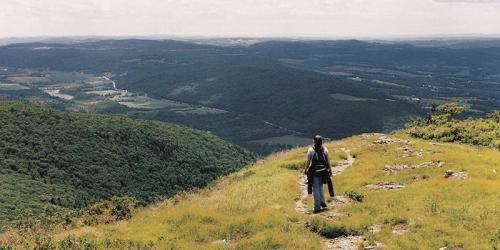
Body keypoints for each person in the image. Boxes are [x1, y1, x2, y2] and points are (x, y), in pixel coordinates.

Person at [304, 135, 334, 213]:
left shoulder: (311, 150)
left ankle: (317, 207)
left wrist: (306, 169)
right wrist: (330, 170)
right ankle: (323, 202)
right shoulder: (325, 149)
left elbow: (308, 162)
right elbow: (328, 161)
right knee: (320, 187)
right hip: (323, 171)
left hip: (314, 172)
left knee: (315, 188)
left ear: (314, 141)